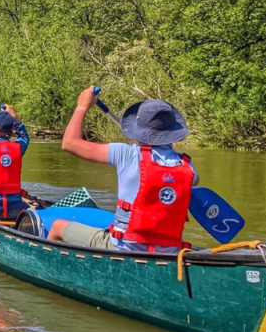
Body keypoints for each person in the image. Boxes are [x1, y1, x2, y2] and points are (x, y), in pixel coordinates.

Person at [52, 86, 198, 253]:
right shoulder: (187, 166)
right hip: (169, 251)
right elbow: (189, 181)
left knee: (57, 227)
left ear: (139, 130)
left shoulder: (126, 154)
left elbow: (69, 143)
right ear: (172, 131)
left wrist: (82, 106)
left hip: (124, 247)